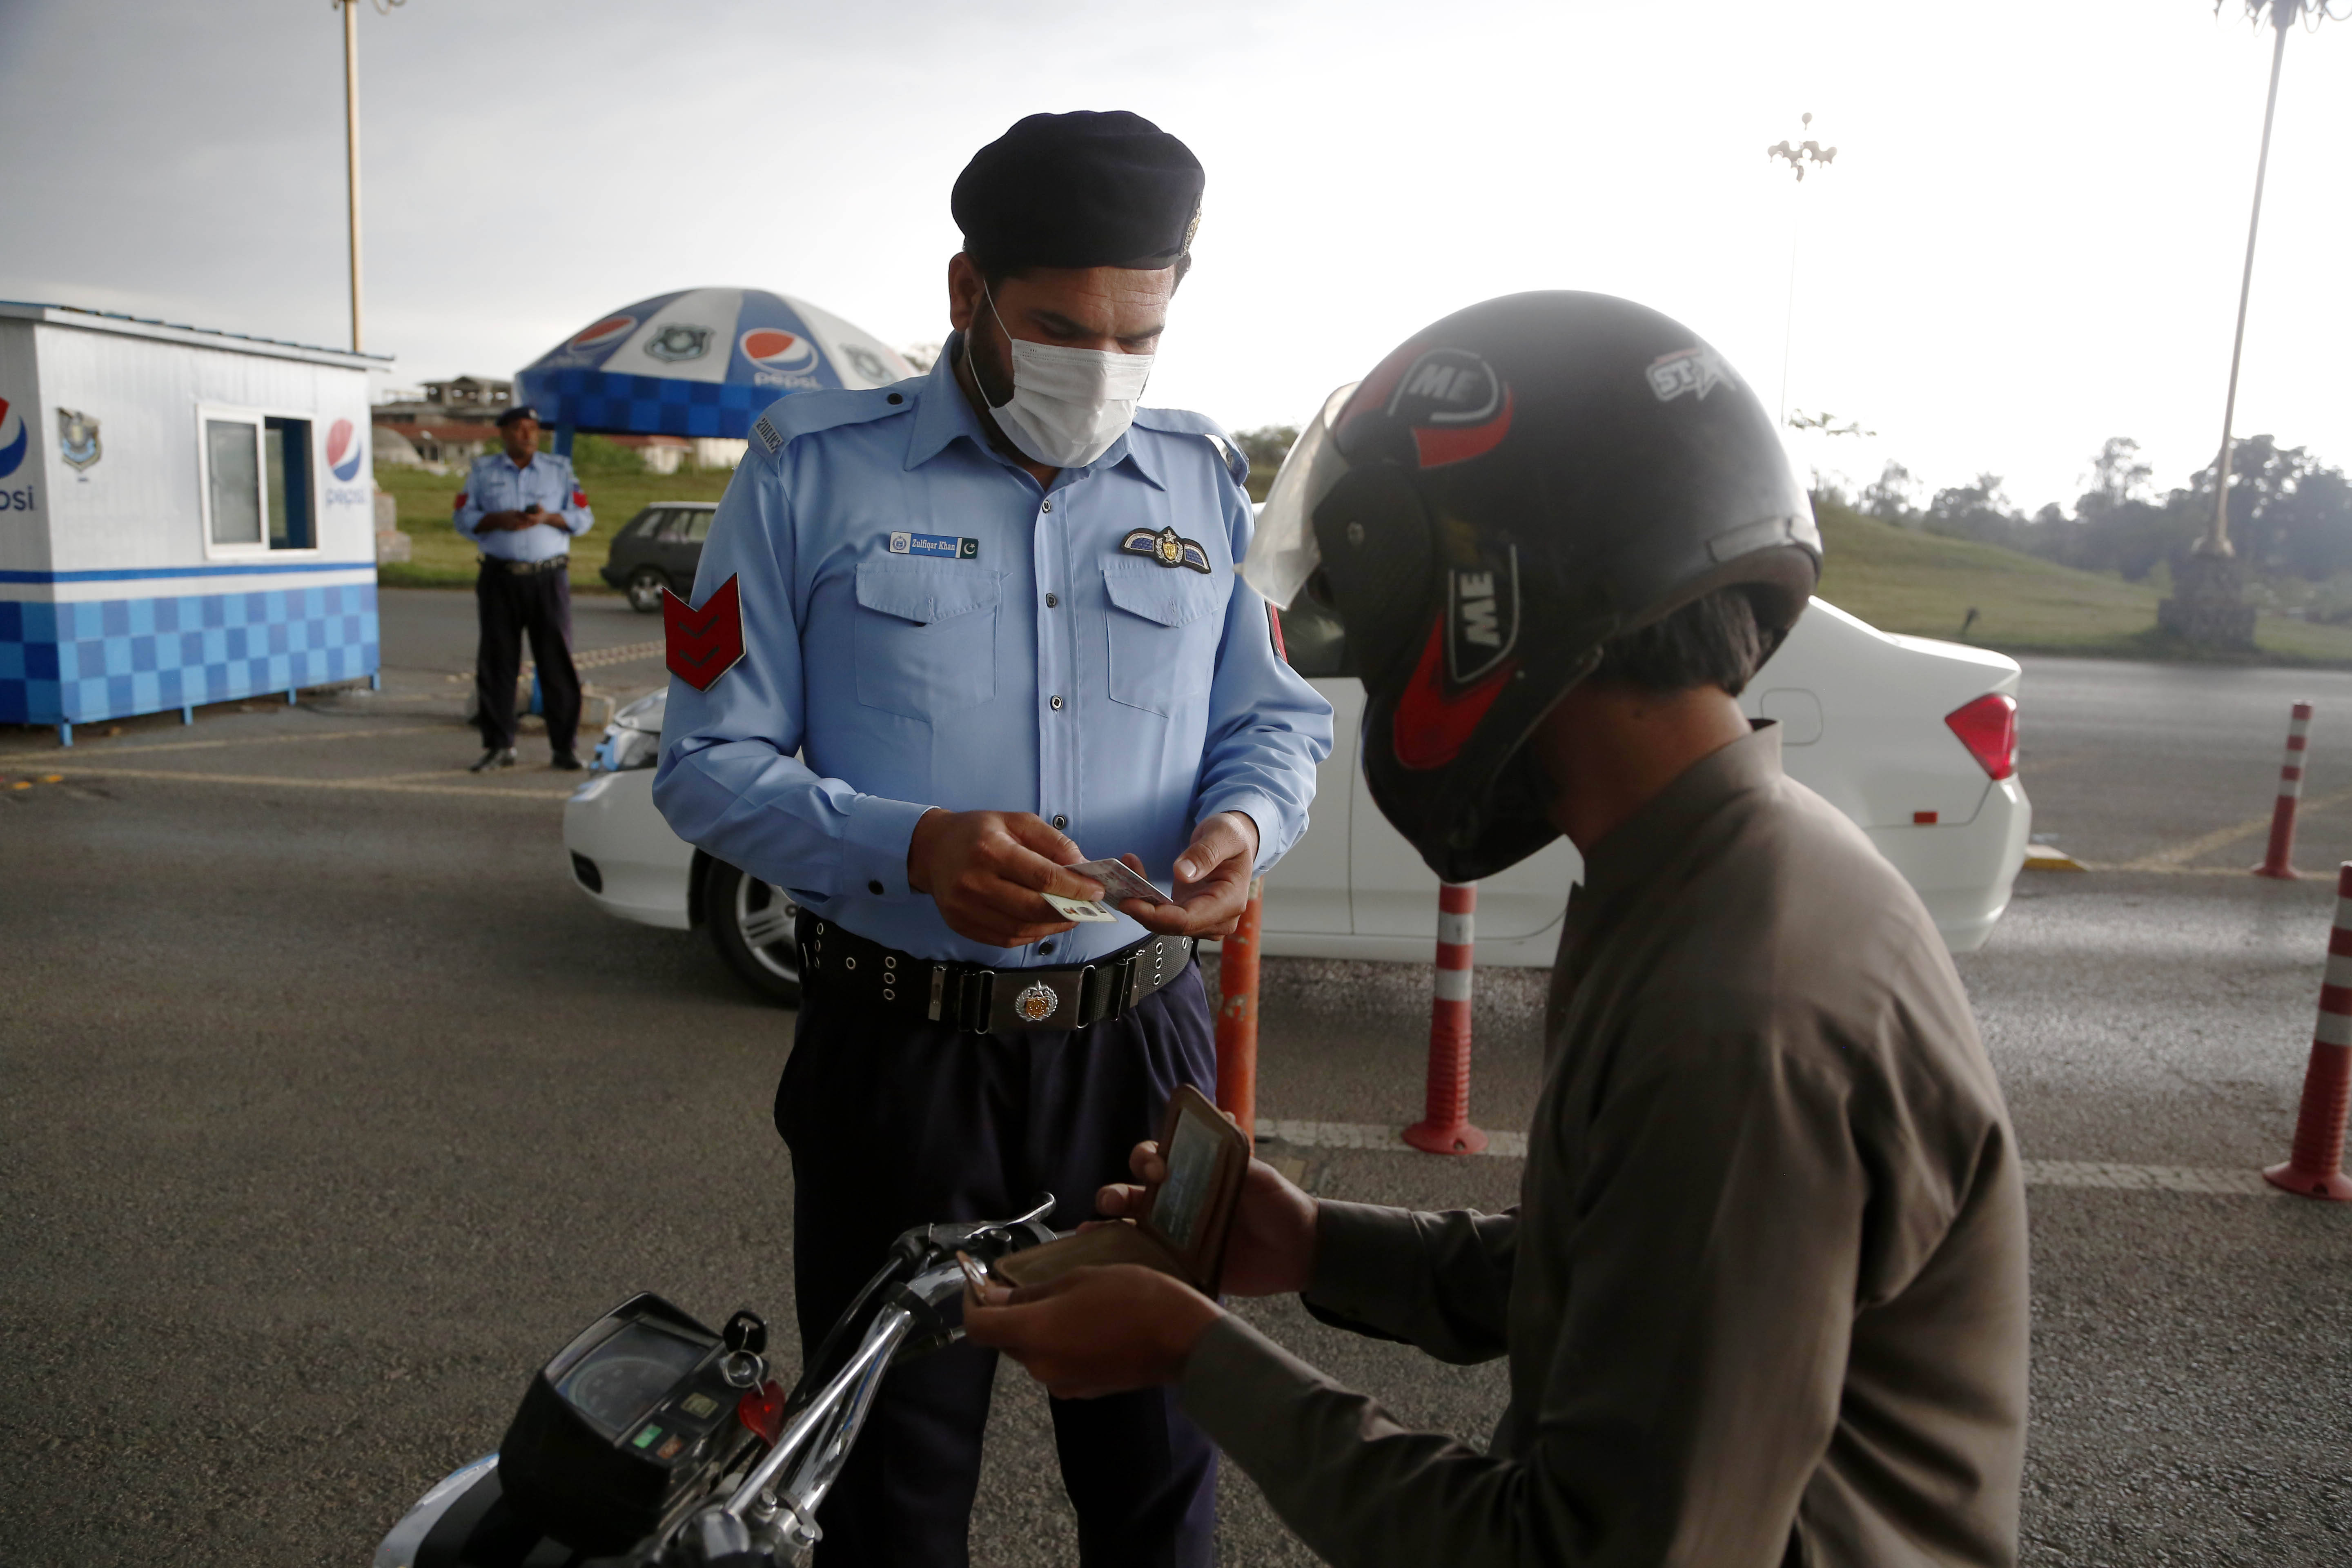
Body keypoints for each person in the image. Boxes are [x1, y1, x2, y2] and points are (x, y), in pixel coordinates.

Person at [967, 292, 2031, 1567]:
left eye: (1385, 588)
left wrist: (1190, 1351)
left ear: (1490, 596)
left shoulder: (1736, 1015)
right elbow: (1621, 1270)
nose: (1363, 645)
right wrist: (1317, 1243)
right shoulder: (1722, 868)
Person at [651, 111, 1334, 1568]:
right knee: (887, 1501)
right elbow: (703, 768)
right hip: (899, 1061)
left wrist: (1239, 828)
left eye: (1135, 330)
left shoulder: (1201, 480)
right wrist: (911, 847)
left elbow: (1277, 725)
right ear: (966, 293)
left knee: (1159, 1485)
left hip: (1139, 1058)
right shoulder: (808, 470)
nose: (1101, 365)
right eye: (1055, 325)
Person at [453, 405, 592, 772]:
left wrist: (546, 517)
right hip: (500, 578)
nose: (527, 435)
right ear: (504, 433)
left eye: (532, 429)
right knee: (498, 663)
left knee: (556, 664)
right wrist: (496, 520)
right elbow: (462, 518)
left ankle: (564, 748)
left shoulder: (559, 471)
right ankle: (500, 746)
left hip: (548, 578)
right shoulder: (483, 472)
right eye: (518, 429)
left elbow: (583, 517)